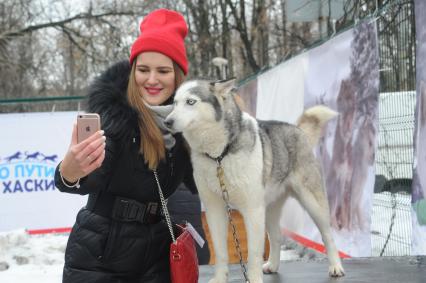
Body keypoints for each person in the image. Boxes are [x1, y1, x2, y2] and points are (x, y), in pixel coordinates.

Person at [55, 8, 202, 283]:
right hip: (100, 254)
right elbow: (83, 177)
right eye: (143, 69)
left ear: (178, 76)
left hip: (155, 254)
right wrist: (69, 172)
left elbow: (204, 182)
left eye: (163, 71)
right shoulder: (117, 117)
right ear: (134, 70)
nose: (152, 80)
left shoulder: (186, 126)